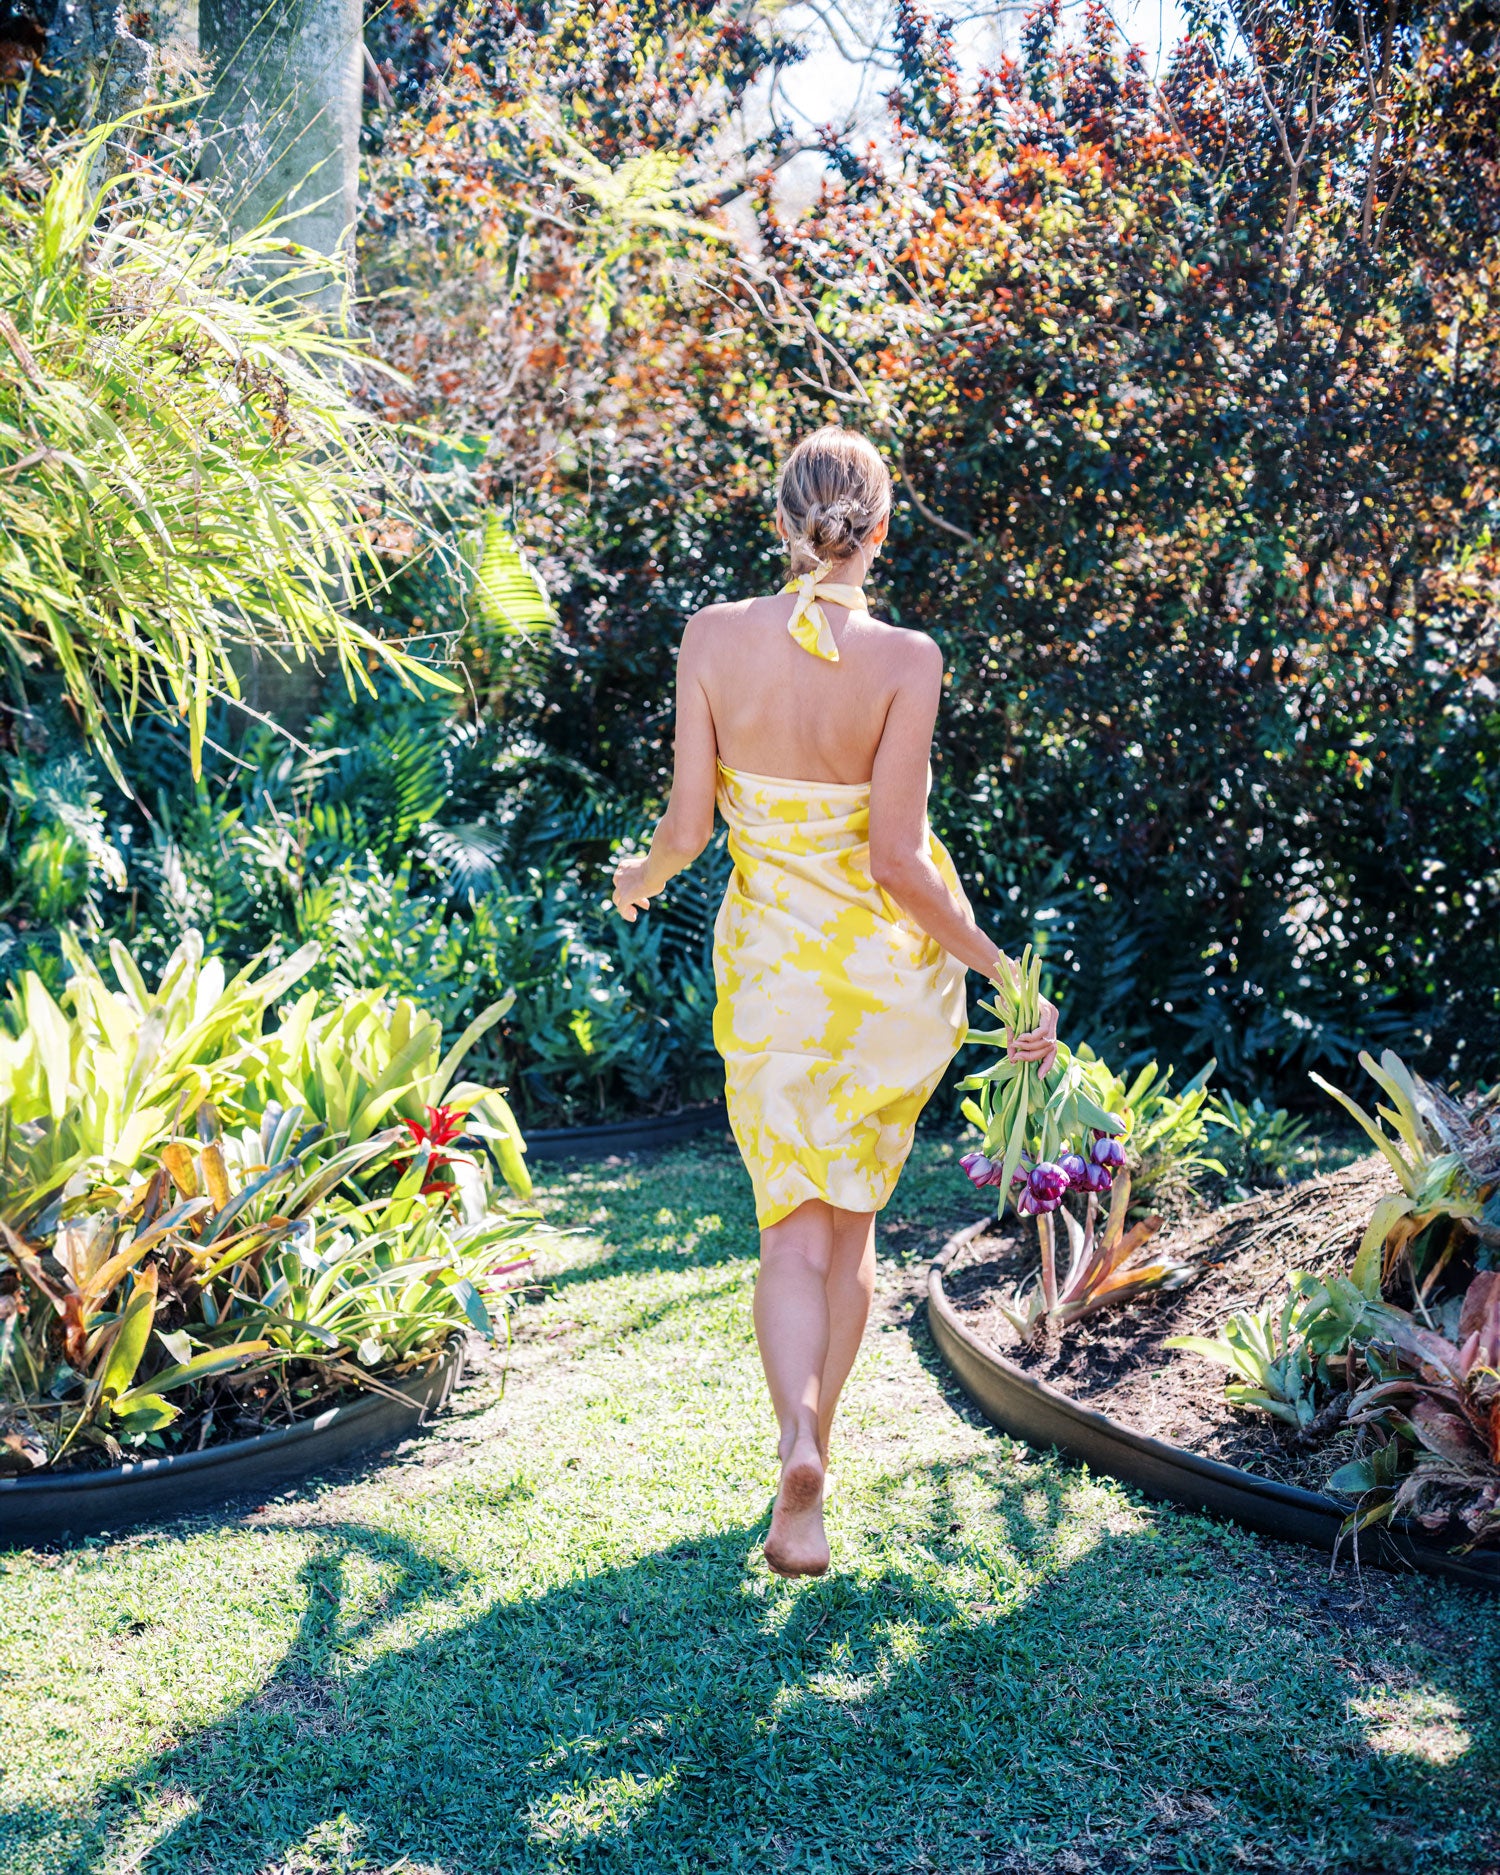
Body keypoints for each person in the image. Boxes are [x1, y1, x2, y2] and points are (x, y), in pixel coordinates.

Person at [611, 426, 1058, 1577]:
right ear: (881, 528)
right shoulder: (908, 659)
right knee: (849, 1226)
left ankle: (793, 1440)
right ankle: (816, 1468)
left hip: (772, 980)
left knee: (785, 1233)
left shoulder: (712, 636)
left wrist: (639, 880)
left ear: (781, 520)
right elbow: (901, 865)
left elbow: (686, 829)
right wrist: (1000, 967)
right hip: (882, 987)